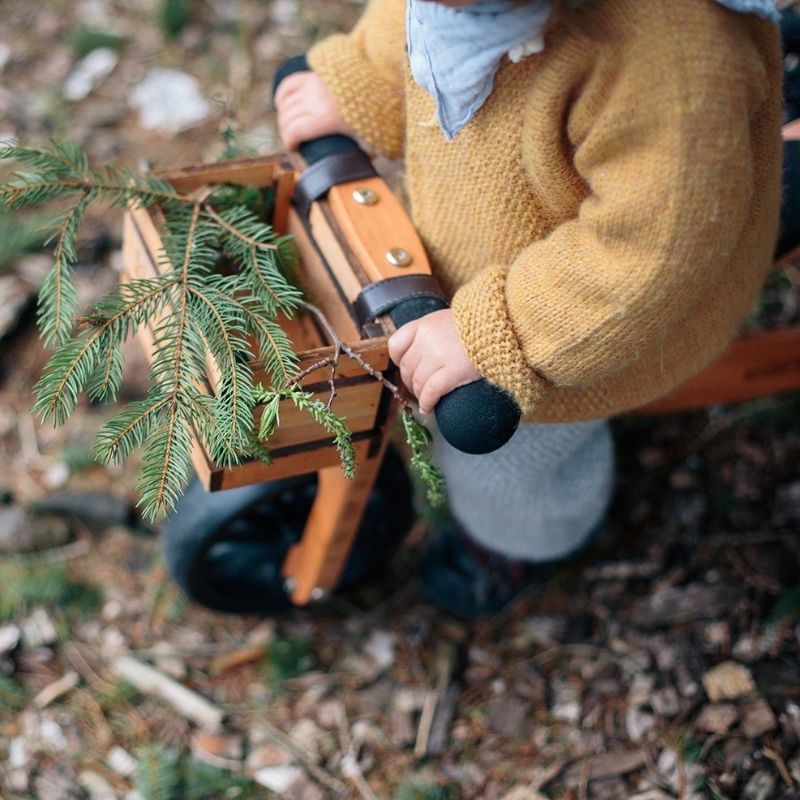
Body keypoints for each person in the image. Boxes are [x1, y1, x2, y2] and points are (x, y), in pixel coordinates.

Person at [274, 0, 783, 617]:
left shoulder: (668, 60)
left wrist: (502, 334)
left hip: (597, 318)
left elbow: (653, 253)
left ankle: (525, 541)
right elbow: (411, 19)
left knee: (507, 462)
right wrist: (365, 79)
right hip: (477, 243)